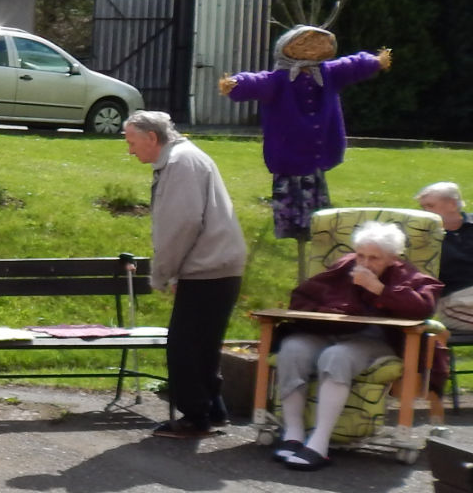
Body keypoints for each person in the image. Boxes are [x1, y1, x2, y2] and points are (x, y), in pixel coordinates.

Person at [270, 220, 441, 471]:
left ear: (392, 258)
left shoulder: (409, 276)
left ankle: (319, 442)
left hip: (376, 341)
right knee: (292, 348)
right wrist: (328, 311)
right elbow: (302, 297)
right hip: (331, 332)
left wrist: (379, 289)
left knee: (337, 356)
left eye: (374, 258)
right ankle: (293, 434)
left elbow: (422, 308)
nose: (365, 263)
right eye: (361, 255)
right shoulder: (344, 267)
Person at [124, 109, 249, 438]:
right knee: (203, 344)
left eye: (132, 142)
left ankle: (195, 417)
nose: (130, 150)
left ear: (152, 138)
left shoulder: (180, 163)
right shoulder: (185, 158)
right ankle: (213, 410)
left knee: (184, 347)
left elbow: (180, 226)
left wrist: (163, 274)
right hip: (217, 264)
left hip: (207, 265)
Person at [219, 28, 391, 241]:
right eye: (306, 44)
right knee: (291, 197)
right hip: (288, 154)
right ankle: (296, 231)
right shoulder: (280, 80)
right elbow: (257, 81)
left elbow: (351, 66)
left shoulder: (328, 74)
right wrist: (236, 84)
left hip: (318, 152)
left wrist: (373, 62)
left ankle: (314, 233)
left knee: (316, 206)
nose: (315, 49)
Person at [418, 182, 473, 332]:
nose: (425, 212)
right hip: (454, 302)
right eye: (423, 207)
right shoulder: (423, 237)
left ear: (452, 204)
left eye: (430, 206)